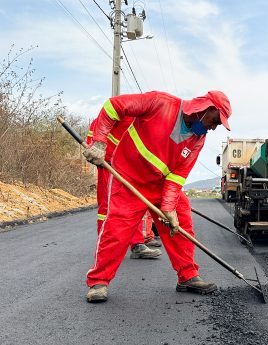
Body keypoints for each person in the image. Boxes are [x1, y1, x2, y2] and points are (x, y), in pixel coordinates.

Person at [82, 90, 232, 303]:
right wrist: (99, 142)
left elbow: (178, 175)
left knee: (180, 226)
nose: (214, 127)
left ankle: (187, 276)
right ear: (205, 108)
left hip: (161, 186)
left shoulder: (198, 139)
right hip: (129, 179)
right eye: (215, 120)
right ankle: (99, 282)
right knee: (117, 228)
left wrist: (169, 208)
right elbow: (113, 106)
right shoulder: (160, 103)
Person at [85, 117, 162, 259]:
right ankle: (104, 247)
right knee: (107, 207)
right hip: (108, 165)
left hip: (129, 168)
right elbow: (92, 141)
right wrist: (96, 153)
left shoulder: (144, 120)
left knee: (135, 206)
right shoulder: (109, 116)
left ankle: (137, 245)